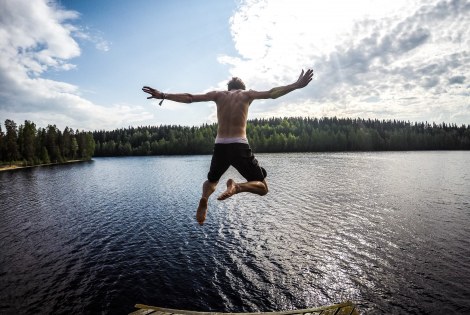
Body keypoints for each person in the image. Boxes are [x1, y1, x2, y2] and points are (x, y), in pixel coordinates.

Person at [142, 69, 313, 224]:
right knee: (263, 188)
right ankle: (237, 187)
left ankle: (204, 198)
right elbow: (271, 94)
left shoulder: (218, 95)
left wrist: (163, 95)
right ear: (241, 87)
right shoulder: (247, 94)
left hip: (220, 146)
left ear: (229, 88)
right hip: (239, 145)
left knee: (212, 181)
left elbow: (190, 98)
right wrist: (296, 85)